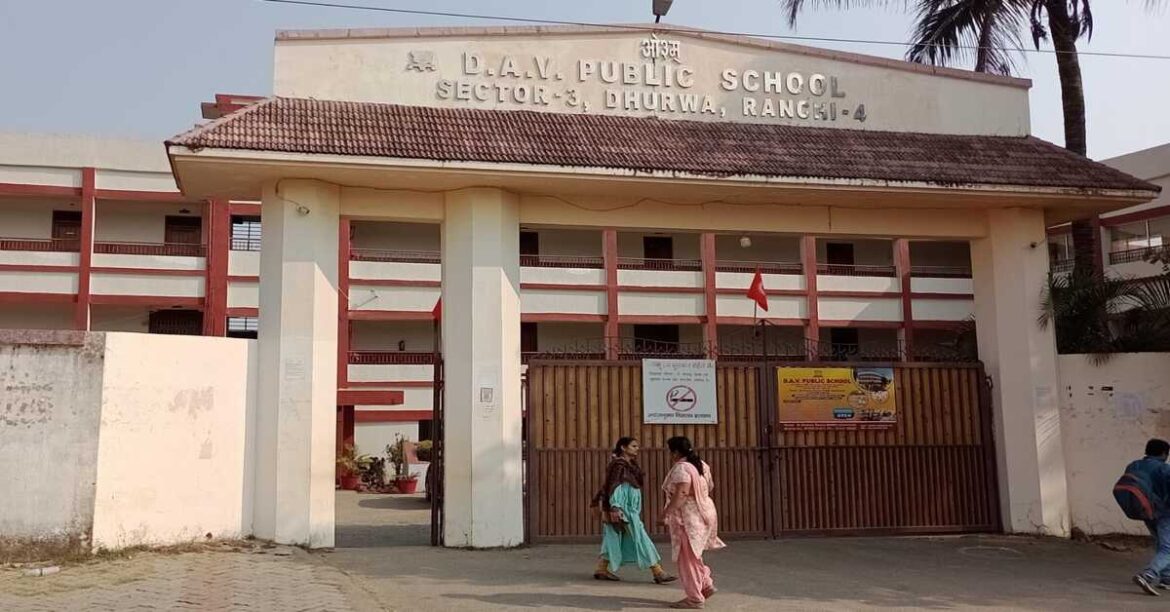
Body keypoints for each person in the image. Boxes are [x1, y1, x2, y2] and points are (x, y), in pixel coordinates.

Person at [590, 436, 676, 584]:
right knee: (640, 537)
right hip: (623, 509)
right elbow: (614, 486)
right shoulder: (619, 465)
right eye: (634, 446)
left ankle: (602, 568)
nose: (637, 448)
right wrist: (615, 507)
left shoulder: (627, 465)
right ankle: (658, 571)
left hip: (625, 508)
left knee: (613, 537)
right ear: (623, 447)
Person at [659, 436, 726, 609]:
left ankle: (695, 598)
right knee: (693, 554)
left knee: (687, 559)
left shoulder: (681, 469)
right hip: (705, 512)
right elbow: (710, 486)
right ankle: (705, 584)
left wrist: (665, 514)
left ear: (674, 452)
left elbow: (681, 493)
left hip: (689, 518)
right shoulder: (701, 464)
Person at [1126, 438, 1170, 595]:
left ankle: (1166, 578)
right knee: (1168, 547)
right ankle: (1148, 575)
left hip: (1144, 510)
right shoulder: (1164, 469)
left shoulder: (1134, 465)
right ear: (1164, 453)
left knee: (1162, 544)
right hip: (1164, 512)